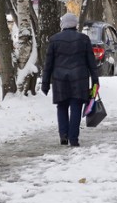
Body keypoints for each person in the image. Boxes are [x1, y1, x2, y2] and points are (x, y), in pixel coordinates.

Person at [41, 12, 99, 147]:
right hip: (79, 79)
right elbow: (91, 61)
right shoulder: (83, 39)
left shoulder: (54, 40)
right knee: (76, 107)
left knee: (61, 106)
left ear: (63, 24)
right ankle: (74, 138)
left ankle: (63, 135)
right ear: (75, 24)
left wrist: (45, 83)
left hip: (60, 79)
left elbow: (48, 64)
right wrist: (95, 80)